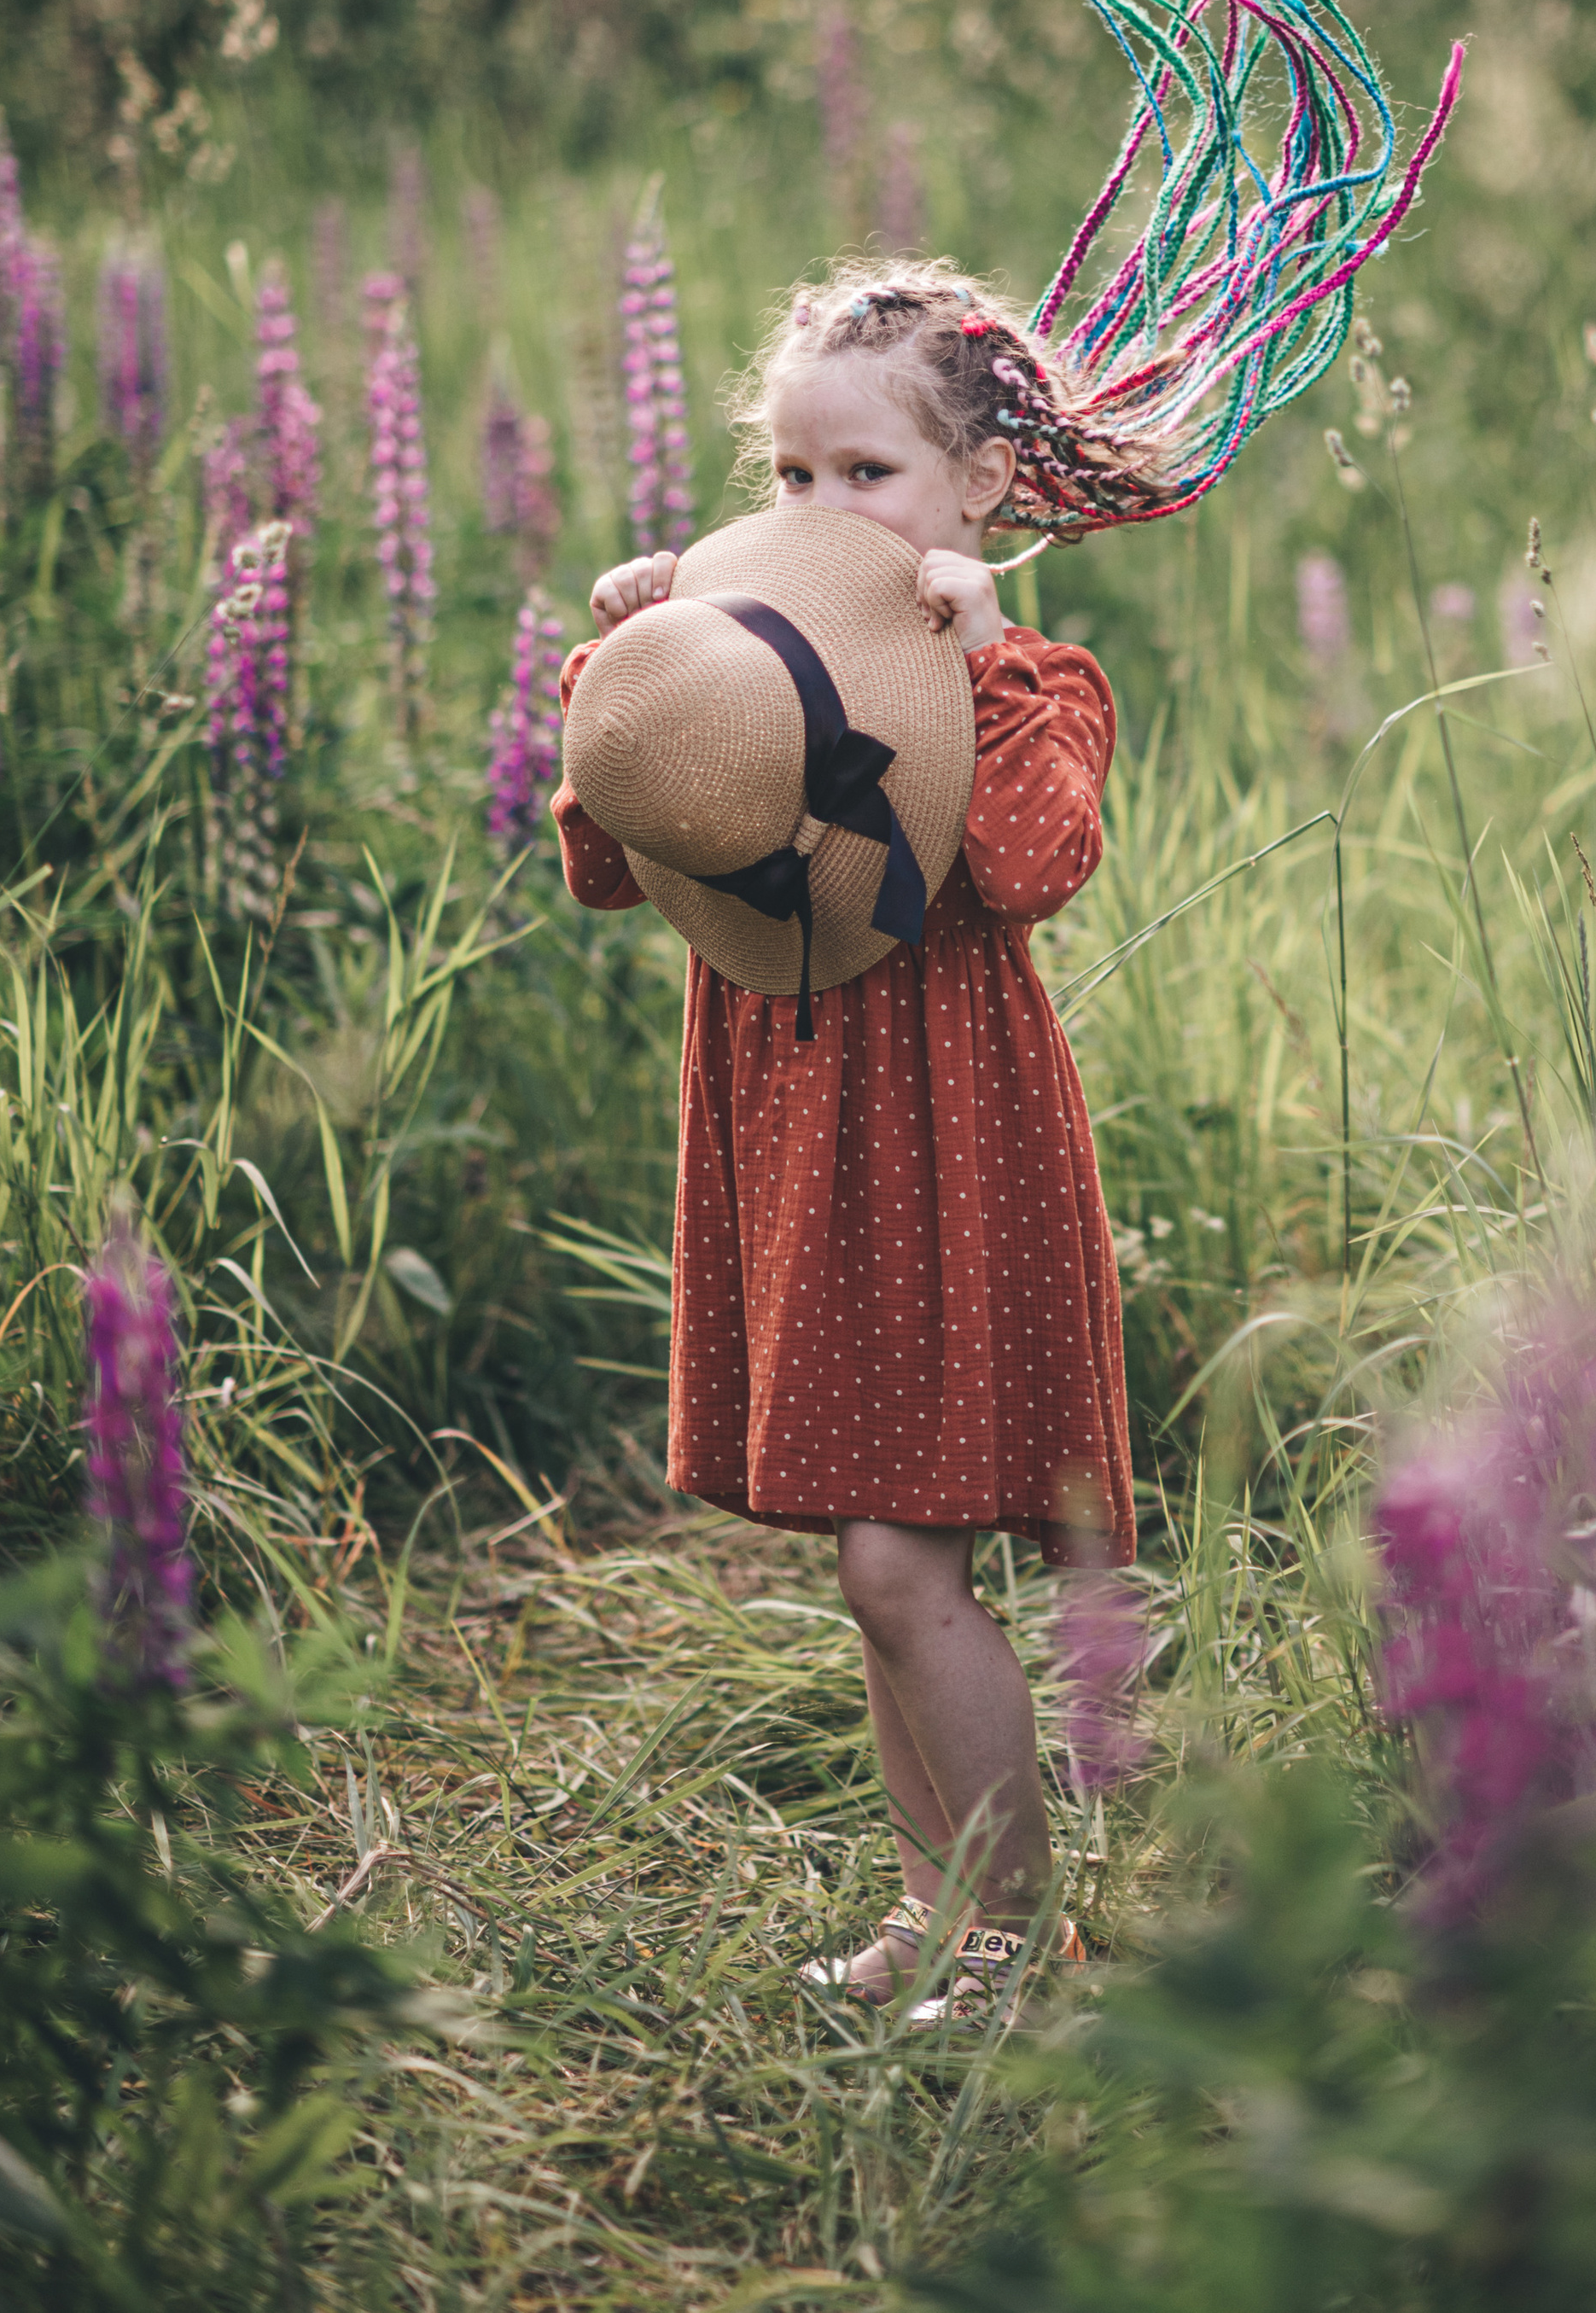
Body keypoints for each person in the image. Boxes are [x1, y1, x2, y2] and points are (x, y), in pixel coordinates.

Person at [551, 267, 1139, 2018]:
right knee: (874, 1566)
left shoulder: (1032, 677)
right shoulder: (743, 669)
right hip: (806, 1136)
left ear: (984, 488)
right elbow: (603, 861)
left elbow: (1030, 868)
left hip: (946, 1144)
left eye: (864, 475)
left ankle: (1018, 1939)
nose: (816, 515)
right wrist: (643, 681)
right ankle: (937, 1910)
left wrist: (967, 657)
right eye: (790, 478)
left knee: (903, 1558)